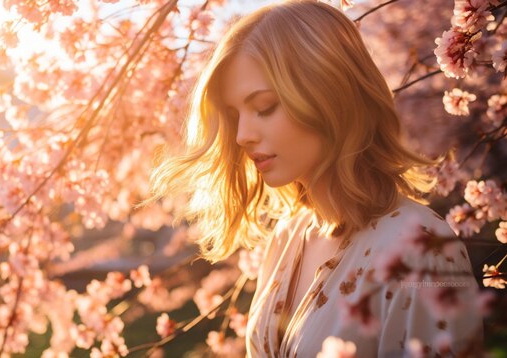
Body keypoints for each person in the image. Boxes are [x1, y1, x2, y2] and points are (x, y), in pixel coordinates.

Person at [148, 0, 484, 356]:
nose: (242, 134)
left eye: (264, 107)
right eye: (235, 114)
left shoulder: (420, 250)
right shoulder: (288, 236)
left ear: (328, 95)